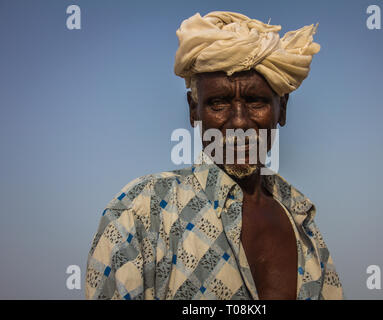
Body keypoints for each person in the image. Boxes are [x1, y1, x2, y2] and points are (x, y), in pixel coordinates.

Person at [85, 11, 344, 300]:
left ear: (281, 109)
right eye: (218, 103)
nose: (239, 123)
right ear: (193, 110)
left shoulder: (302, 224)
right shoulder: (142, 214)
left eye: (255, 101)